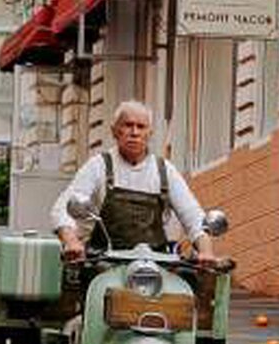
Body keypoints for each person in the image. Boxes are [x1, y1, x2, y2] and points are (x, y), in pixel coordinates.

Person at [52, 100, 221, 265]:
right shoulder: (98, 165)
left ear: (150, 133)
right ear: (114, 131)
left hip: (156, 265)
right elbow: (63, 208)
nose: (134, 132)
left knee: (192, 290)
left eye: (141, 127)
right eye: (128, 125)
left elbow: (192, 215)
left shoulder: (165, 170)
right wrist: (71, 241)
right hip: (104, 263)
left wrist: (206, 251)